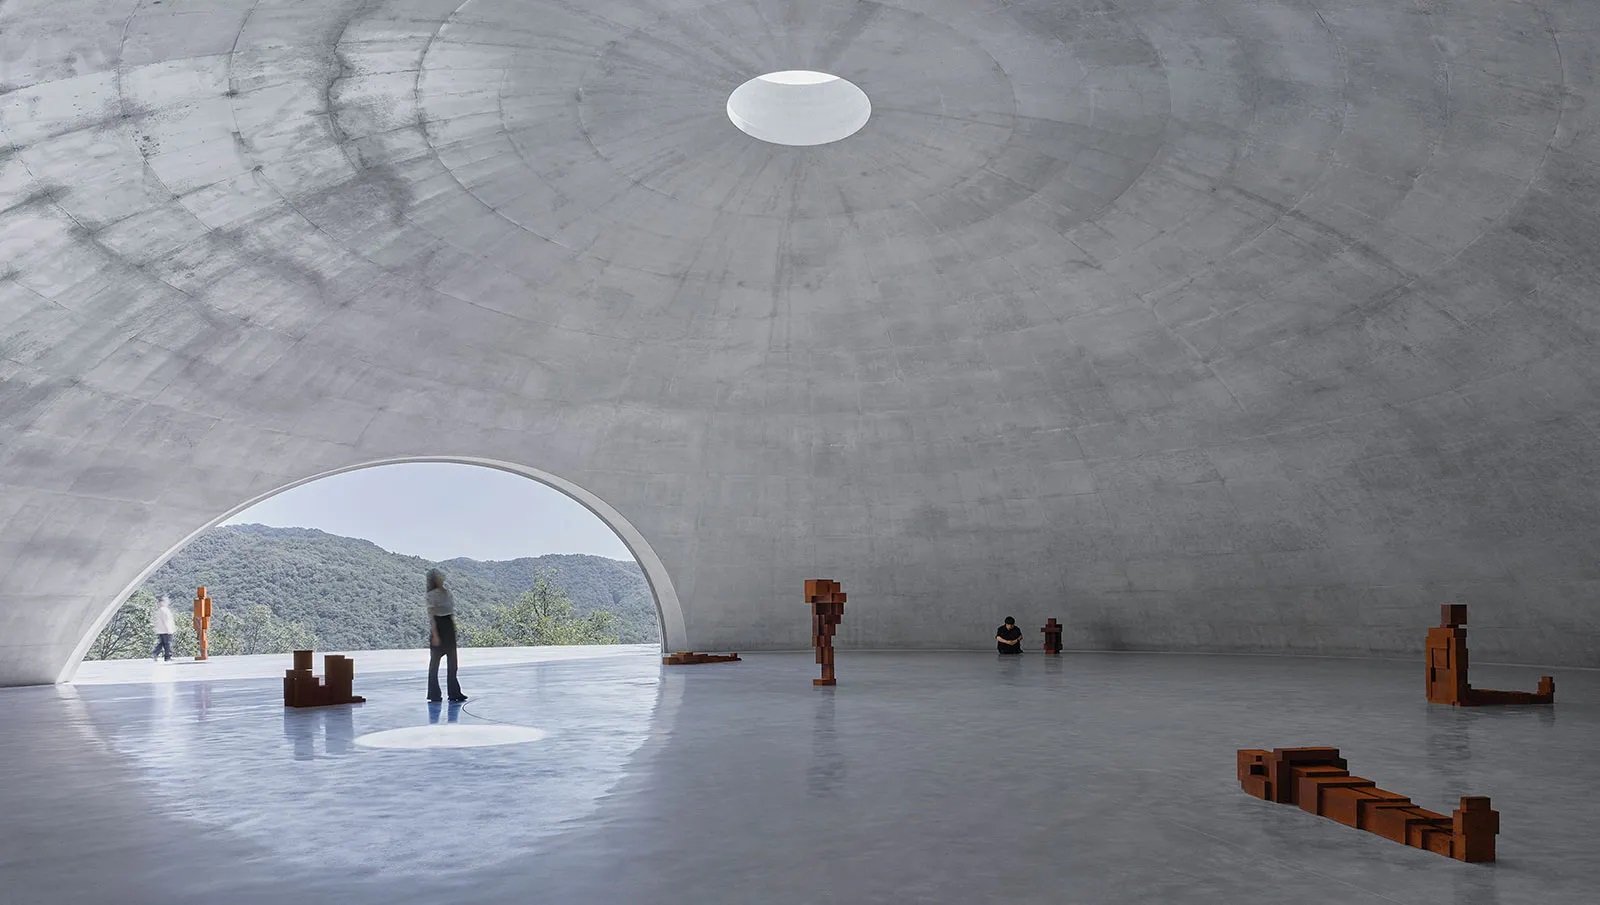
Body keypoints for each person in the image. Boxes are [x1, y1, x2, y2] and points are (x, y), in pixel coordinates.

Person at [425, 569, 467, 703]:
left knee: (453, 663)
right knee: (434, 664)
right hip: (439, 626)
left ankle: (454, 693)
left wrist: (454, 629)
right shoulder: (431, 595)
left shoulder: (447, 592)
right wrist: (435, 634)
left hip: (448, 626)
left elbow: (450, 612)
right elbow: (431, 615)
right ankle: (434, 694)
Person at [151, 596, 176, 661]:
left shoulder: (159, 610)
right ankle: (168, 656)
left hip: (160, 630)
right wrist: (169, 629)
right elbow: (166, 620)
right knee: (168, 643)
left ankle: (155, 653)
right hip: (166, 630)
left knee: (162, 643)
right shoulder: (165, 610)